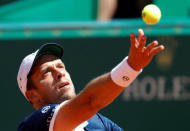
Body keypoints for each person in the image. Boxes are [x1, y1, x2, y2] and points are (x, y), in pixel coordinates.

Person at [17, 29, 164, 131]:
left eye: (61, 66)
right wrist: (130, 68)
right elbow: (89, 102)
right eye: (47, 72)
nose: (59, 73)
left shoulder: (100, 123)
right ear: (33, 95)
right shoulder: (35, 124)